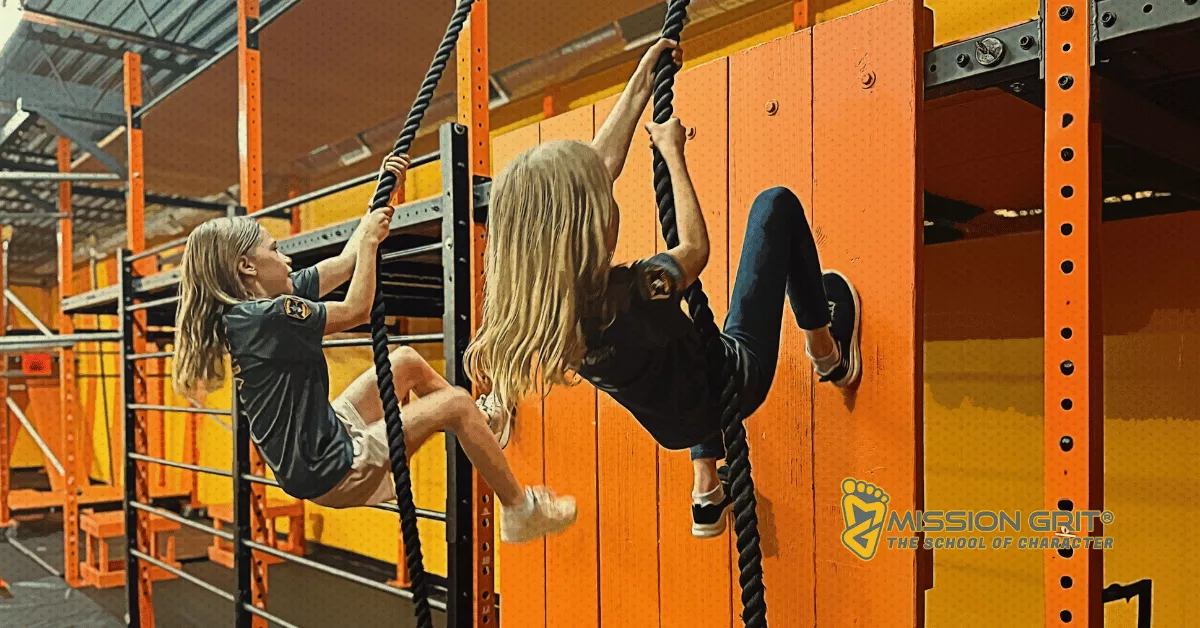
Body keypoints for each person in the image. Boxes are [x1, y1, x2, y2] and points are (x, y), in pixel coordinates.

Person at [465, 39, 862, 539]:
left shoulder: (546, 315)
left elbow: (592, 172)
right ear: (586, 225)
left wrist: (639, 86)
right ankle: (828, 353)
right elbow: (694, 248)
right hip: (735, 384)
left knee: (678, 349)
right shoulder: (637, 291)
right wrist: (673, 154)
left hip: (675, 426)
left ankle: (706, 490)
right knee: (775, 206)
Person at [171, 155, 576, 543]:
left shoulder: (256, 309)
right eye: (275, 250)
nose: (287, 258)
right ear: (247, 266)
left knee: (404, 361)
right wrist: (368, 245)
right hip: (332, 468)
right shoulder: (267, 315)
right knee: (455, 404)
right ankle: (520, 511)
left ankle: (482, 429)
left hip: (325, 440)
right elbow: (356, 309)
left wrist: (377, 202)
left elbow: (344, 263)